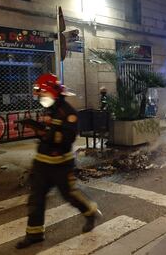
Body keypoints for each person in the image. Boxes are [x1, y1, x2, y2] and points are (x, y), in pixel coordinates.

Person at [16, 74, 100, 249]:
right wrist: (36, 127)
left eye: (43, 95)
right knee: (36, 198)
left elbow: (67, 138)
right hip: (42, 163)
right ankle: (34, 234)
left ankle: (90, 212)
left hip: (61, 164)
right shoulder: (51, 109)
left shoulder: (69, 113)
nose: (41, 99)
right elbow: (49, 131)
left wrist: (45, 134)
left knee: (70, 195)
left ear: (54, 93)